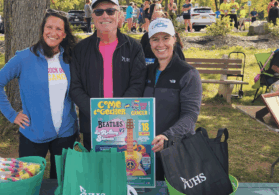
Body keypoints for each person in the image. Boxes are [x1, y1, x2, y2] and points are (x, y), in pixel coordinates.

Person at [0, 9, 78, 179]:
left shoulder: (70, 58)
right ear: (42, 29)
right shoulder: (23, 58)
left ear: (65, 34)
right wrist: (11, 114)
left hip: (66, 133)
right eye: (49, 27)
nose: (53, 32)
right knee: (29, 182)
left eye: (59, 29)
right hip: (34, 133)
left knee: (62, 181)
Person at [70, 0, 147, 152]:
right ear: (93, 16)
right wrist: (97, 114)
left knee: (124, 172)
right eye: (99, 12)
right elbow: (75, 86)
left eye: (110, 11)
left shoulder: (134, 47)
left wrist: (118, 114)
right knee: (96, 172)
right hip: (92, 124)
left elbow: (137, 83)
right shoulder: (80, 49)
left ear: (119, 15)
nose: (105, 15)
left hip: (124, 123)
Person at [143, 18, 202, 181]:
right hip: (146, 150)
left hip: (176, 149)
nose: (160, 44)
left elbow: (190, 116)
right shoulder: (146, 72)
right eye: (155, 39)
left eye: (165, 38)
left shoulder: (188, 74)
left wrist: (168, 136)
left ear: (174, 39)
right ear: (150, 42)